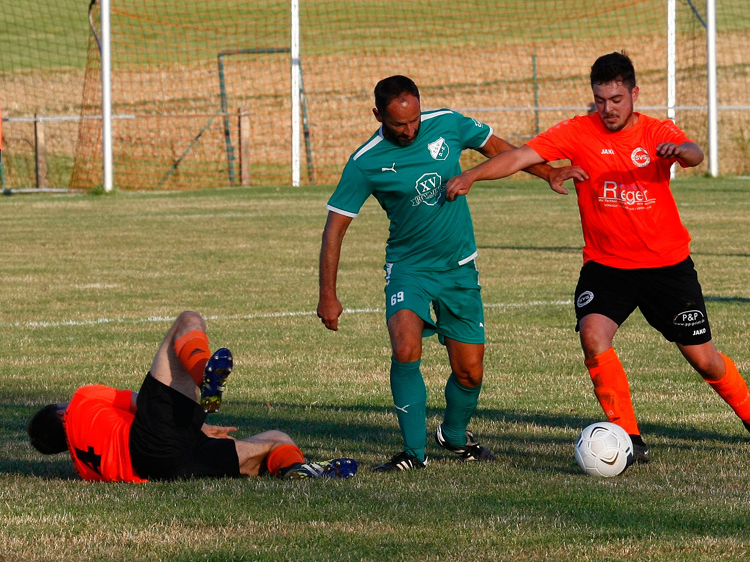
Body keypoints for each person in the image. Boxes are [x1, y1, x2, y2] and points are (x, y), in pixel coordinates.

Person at [446, 52, 750, 460]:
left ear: (634, 94)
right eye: (600, 100)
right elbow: (520, 155)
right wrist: (471, 175)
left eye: (616, 100)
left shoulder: (654, 130)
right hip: (606, 267)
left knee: (705, 360)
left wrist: (679, 152)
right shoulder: (577, 131)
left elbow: (695, 152)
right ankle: (630, 438)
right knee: (593, 335)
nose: (607, 109)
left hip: (668, 267)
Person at [317, 75, 563, 472]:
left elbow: (498, 148)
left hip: (459, 268)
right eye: (399, 124)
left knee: (469, 372)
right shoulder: (366, 161)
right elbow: (335, 227)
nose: (410, 130)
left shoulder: (447, 123)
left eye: (414, 120)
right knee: (405, 348)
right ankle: (413, 455)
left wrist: (548, 172)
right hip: (409, 269)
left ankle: (452, 434)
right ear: (378, 114)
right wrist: (328, 293)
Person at [27, 310, 356, 481]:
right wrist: (191, 417)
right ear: (60, 413)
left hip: (169, 467)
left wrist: (193, 430)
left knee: (272, 440)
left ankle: (293, 468)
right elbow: (140, 401)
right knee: (187, 321)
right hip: (150, 442)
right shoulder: (82, 400)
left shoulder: (84, 467)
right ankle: (204, 377)